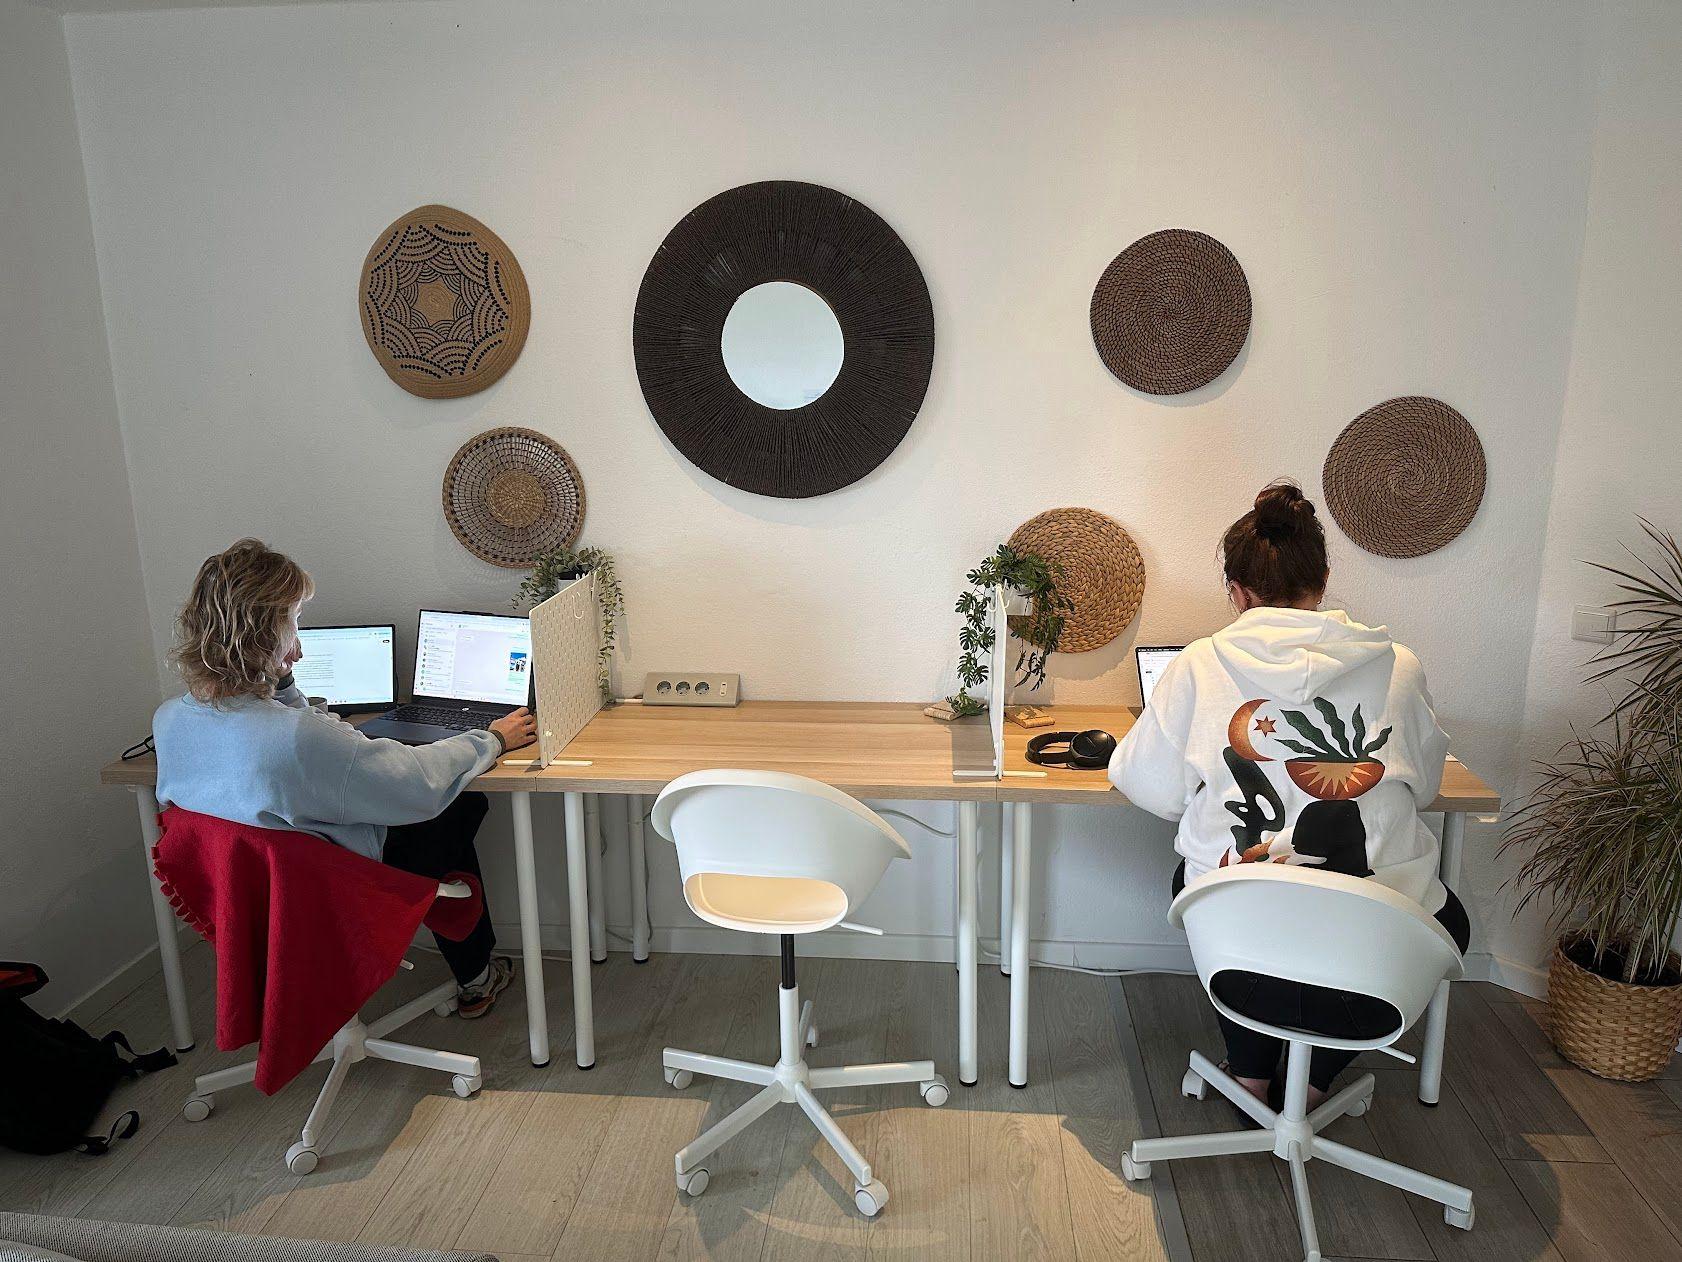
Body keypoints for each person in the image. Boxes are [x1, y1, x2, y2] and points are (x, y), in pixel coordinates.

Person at [1108, 483, 1470, 1112]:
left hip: (1244, 943)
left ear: (1237, 592)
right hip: (1373, 956)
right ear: (1323, 579)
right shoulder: (1400, 666)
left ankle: (1250, 1070)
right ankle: (1315, 1079)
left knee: (1203, 882)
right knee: (1442, 915)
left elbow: (1145, 784)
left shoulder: (1198, 665)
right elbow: (1430, 787)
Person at [153, 539, 538, 1018]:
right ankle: (475, 972)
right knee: (459, 803)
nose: (298, 643)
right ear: (262, 633)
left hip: (251, 901)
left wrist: (280, 680)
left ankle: (474, 970)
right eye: (292, 623)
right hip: (332, 894)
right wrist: (492, 739)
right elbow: (418, 783)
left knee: (438, 804)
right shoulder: (295, 737)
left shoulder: (170, 721)